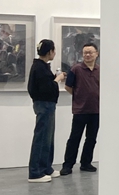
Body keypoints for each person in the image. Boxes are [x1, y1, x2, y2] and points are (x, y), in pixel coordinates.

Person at [26, 39, 65, 182]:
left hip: (46, 104)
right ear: (50, 52)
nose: (54, 53)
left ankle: (46, 167)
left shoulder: (42, 67)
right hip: (44, 105)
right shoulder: (39, 67)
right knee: (42, 137)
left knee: (48, 138)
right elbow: (46, 88)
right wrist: (58, 79)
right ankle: (35, 172)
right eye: (54, 50)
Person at [59, 41, 100, 175]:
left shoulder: (100, 70)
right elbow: (68, 87)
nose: (87, 55)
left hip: (96, 110)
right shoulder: (75, 69)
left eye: (90, 52)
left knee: (91, 139)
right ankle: (68, 165)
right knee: (74, 138)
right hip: (80, 110)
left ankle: (86, 163)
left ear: (96, 54)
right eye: (85, 53)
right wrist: (79, 96)